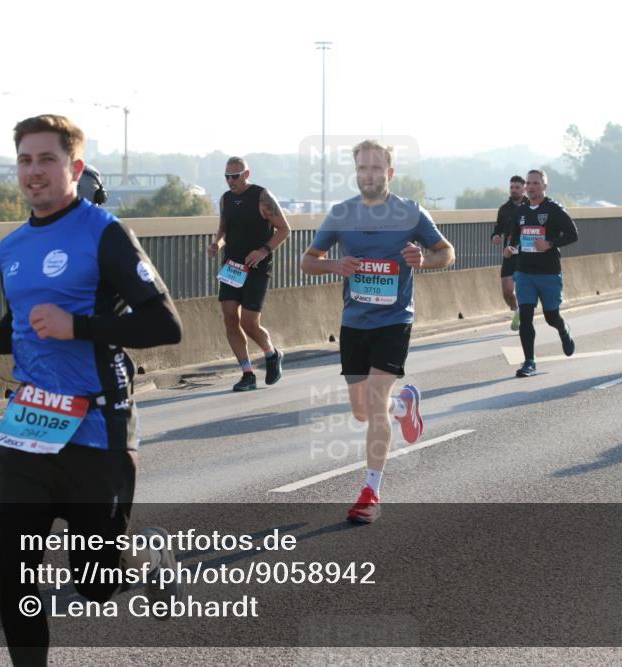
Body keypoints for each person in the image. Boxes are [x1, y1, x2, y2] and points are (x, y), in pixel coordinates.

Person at [0, 114, 184, 666]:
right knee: (14, 574)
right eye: (25, 160)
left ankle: (148, 565)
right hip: (30, 426)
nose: (34, 172)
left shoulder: (103, 232)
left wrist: (80, 326)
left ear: (74, 168)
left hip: (97, 429)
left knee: (96, 583)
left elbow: (166, 325)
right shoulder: (10, 246)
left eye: (47, 160)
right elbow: (28, 323)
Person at [300, 139, 455, 524]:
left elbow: (446, 252)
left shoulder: (410, 212)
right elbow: (307, 261)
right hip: (354, 323)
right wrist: (335, 266)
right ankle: (404, 406)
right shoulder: (341, 214)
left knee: (374, 400)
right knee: (360, 411)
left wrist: (425, 259)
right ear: (356, 173)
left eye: (375, 168)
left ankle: (371, 491)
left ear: (389, 172)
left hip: (394, 320)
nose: (368, 175)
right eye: (361, 169)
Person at [207, 157, 291, 391]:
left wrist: (263, 251)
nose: (230, 181)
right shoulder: (226, 199)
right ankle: (247, 373)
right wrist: (216, 244)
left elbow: (285, 229)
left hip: (256, 267)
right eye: (227, 176)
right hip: (232, 266)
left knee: (249, 322)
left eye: (235, 176)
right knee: (229, 317)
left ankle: (272, 354)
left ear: (247, 174)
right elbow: (223, 229)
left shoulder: (262, 197)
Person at [502, 169, 578, 377]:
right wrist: (510, 247)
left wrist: (550, 243)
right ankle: (529, 362)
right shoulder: (521, 211)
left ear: (544, 186)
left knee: (551, 316)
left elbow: (573, 234)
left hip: (548, 272)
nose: (532, 186)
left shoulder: (554, 209)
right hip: (524, 272)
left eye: (536, 183)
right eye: (529, 183)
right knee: (525, 316)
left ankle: (563, 330)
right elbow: (514, 237)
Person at [491, 175, 529, 331]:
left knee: (524, 289)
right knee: (507, 291)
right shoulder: (504, 209)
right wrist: (495, 236)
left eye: (517, 187)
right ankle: (517, 311)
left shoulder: (531, 206)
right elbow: (498, 228)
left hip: (526, 254)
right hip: (509, 254)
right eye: (512, 187)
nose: (514, 190)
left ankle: (525, 313)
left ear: (524, 189)